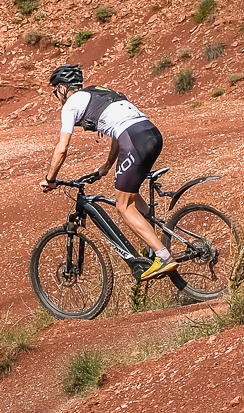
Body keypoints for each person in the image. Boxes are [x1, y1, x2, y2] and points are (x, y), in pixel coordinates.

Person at [38, 64, 176, 281]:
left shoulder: (71, 105)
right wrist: (107, 165)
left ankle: (163, 256)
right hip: (151, 133)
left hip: (134, 140)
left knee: (123, 205)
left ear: (63, 88)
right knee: (129, 192)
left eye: (55, 91)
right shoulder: (101, 92)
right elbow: (117, 130)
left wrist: (50, 179)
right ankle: (151, 245)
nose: (56, 96)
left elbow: (62, 148)